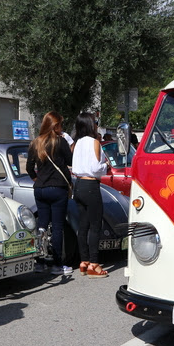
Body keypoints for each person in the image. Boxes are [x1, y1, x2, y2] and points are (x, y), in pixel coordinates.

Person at [25, 111, 73, 276]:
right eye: (60, 124)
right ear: (55, 125)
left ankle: (40, 262)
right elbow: (70, 161)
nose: (62, 127)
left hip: (40, 188)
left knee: (42, 226)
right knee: (58, 227)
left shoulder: (35, 143)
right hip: (58, 188)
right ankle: (57, 264)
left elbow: (29, 168)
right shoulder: (60, 141)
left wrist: (36, 179)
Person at [71, 112, 109, 278]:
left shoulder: (77, 143)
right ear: (90, 124)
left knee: (83, 225)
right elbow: (95, 168)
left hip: (78, 184)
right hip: (90, 185)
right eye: (95, 122)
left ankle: (84, 261)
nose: (96, 124)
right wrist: (106, 165)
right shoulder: (94, 142)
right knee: (95, 226)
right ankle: (94, 264)